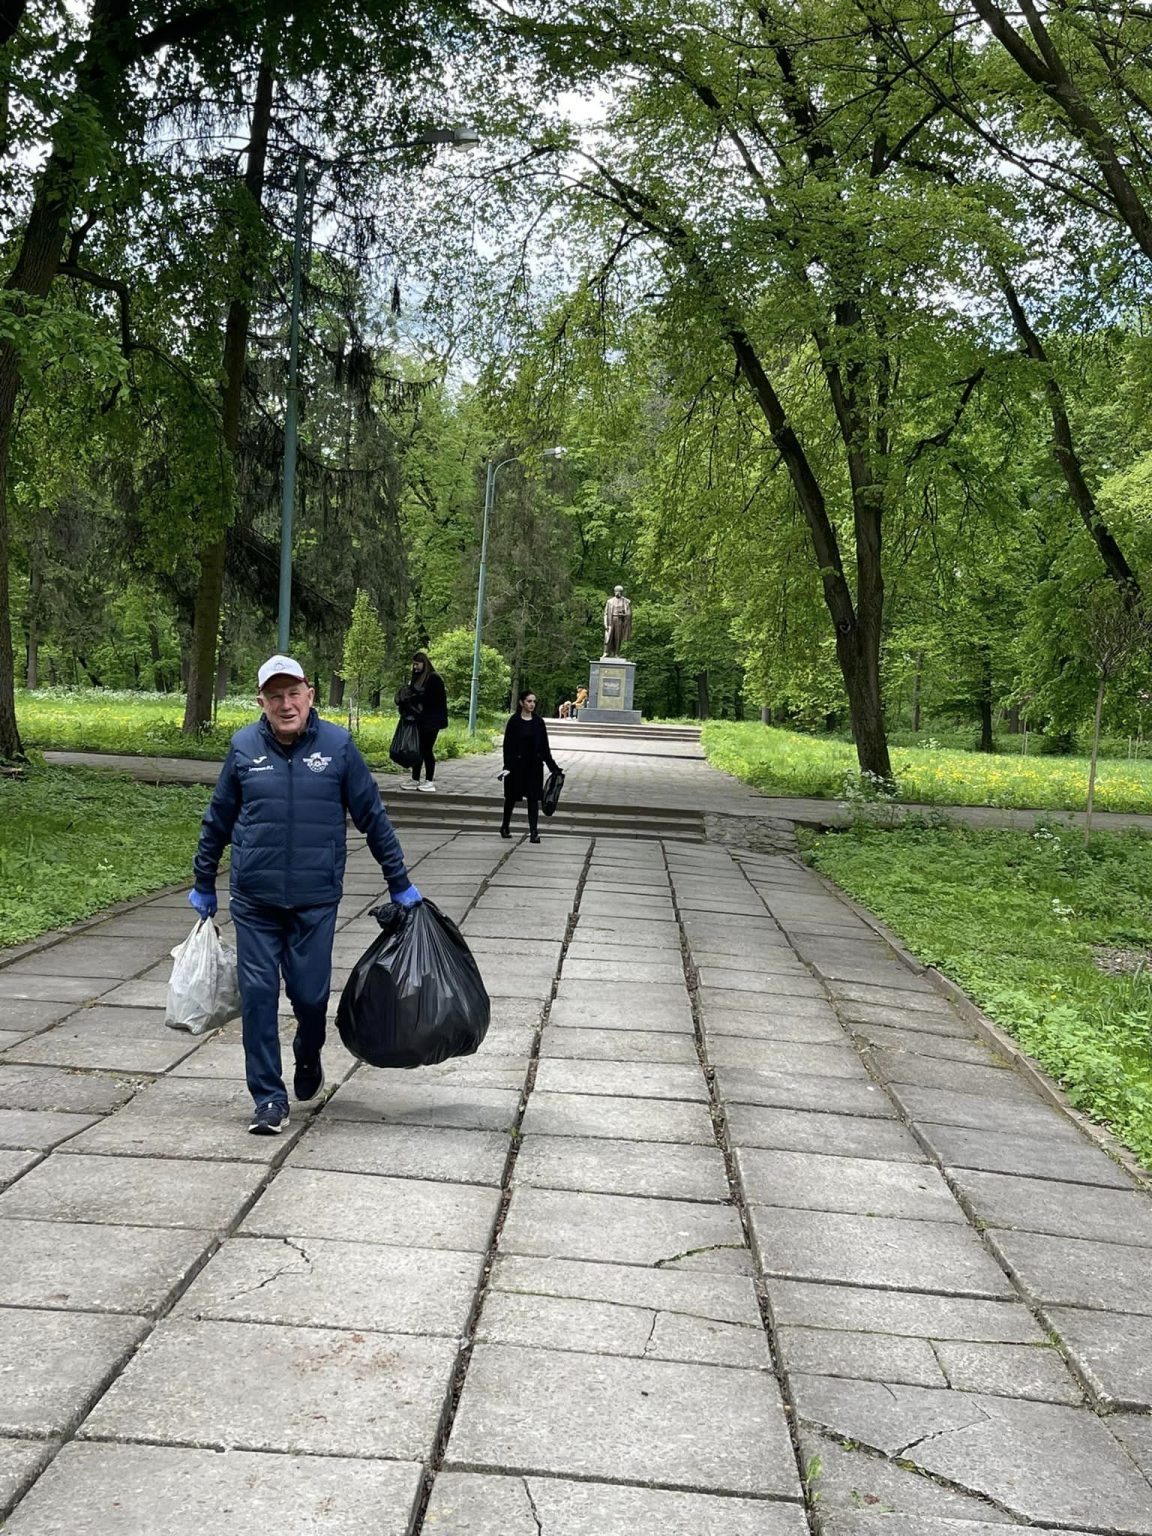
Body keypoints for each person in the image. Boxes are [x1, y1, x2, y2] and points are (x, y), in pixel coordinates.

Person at [188, 654, 422, 1136]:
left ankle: (309, 1051)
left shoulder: (337, 747)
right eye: (275, 696)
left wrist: (399, 882)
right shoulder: (243, 747)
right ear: (261, 702)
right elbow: (218, 818)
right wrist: (203, 881)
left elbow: (372, 816)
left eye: (293, 693)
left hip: (315, 898)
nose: (286, 704)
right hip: (255, 899)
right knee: (258, 996)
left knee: (311, 997)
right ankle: (268, 1099)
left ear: (310, 695)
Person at [500, 688, 561, 843]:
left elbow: (544, 747)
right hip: (516, 766)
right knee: (511, 798)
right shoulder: (514, 721)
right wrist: (507, 766)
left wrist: (553, 768)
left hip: (534, 766)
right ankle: (505, 826)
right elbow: (507, 746)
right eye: (529, 701)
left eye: (534, 701)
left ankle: (534, 832)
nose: (532, 704)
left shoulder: (538, 722)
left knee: (533, 799)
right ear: (522, 703)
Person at [395, 650, 448, 793]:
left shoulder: (433, 678)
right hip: (419, 720)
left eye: (417, 664)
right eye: (414, 664)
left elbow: (432, 700)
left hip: (432, 720)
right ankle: (415, 778)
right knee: (417, 749)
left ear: (424, 663)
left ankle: (429, 781)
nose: (415, 667)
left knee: (426, 750)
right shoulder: (418, 678)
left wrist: (414, 697)